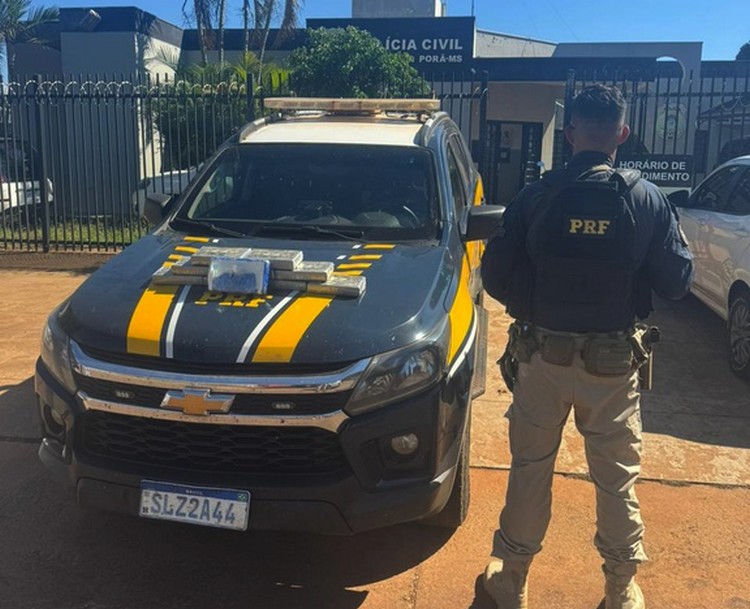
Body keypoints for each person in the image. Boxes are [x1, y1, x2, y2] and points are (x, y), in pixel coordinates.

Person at [479, 84, 694, 609]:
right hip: (612, 366)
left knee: (530, 468)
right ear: (622, 133)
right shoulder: (646, 198)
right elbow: (677, 282)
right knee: (616, 479)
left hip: (541, 358)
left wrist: (540, 300)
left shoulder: (536, 195)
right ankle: (620, 590)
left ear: (570, 133)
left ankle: (512, 581)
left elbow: (495, 275)